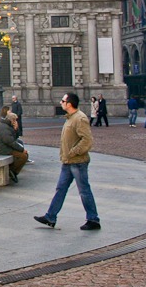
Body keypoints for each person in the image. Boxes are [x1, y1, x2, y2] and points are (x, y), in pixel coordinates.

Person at [34, 92, 100, 230]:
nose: (61, 103)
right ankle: (50, 216)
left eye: (63, 101)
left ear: (69, 104)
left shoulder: (79, 118)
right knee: (61, 189)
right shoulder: (70, 118)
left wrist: (73, 152)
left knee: (84, 190)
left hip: (78, 162)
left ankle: (93, 219)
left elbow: (87, 140)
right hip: (68, 162)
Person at [0, 110, 28, 182]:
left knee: (24, 154)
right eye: (15, 120)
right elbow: (10, 142)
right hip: (4, 149)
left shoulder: (7, 125)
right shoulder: (4, 127)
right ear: (12, 120)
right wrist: (21, 150)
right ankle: (12, 171)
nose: (16, 122)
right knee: (23, 156)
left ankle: (12, 171)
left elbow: (14, 138)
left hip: (6, 146)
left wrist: (15, 129)